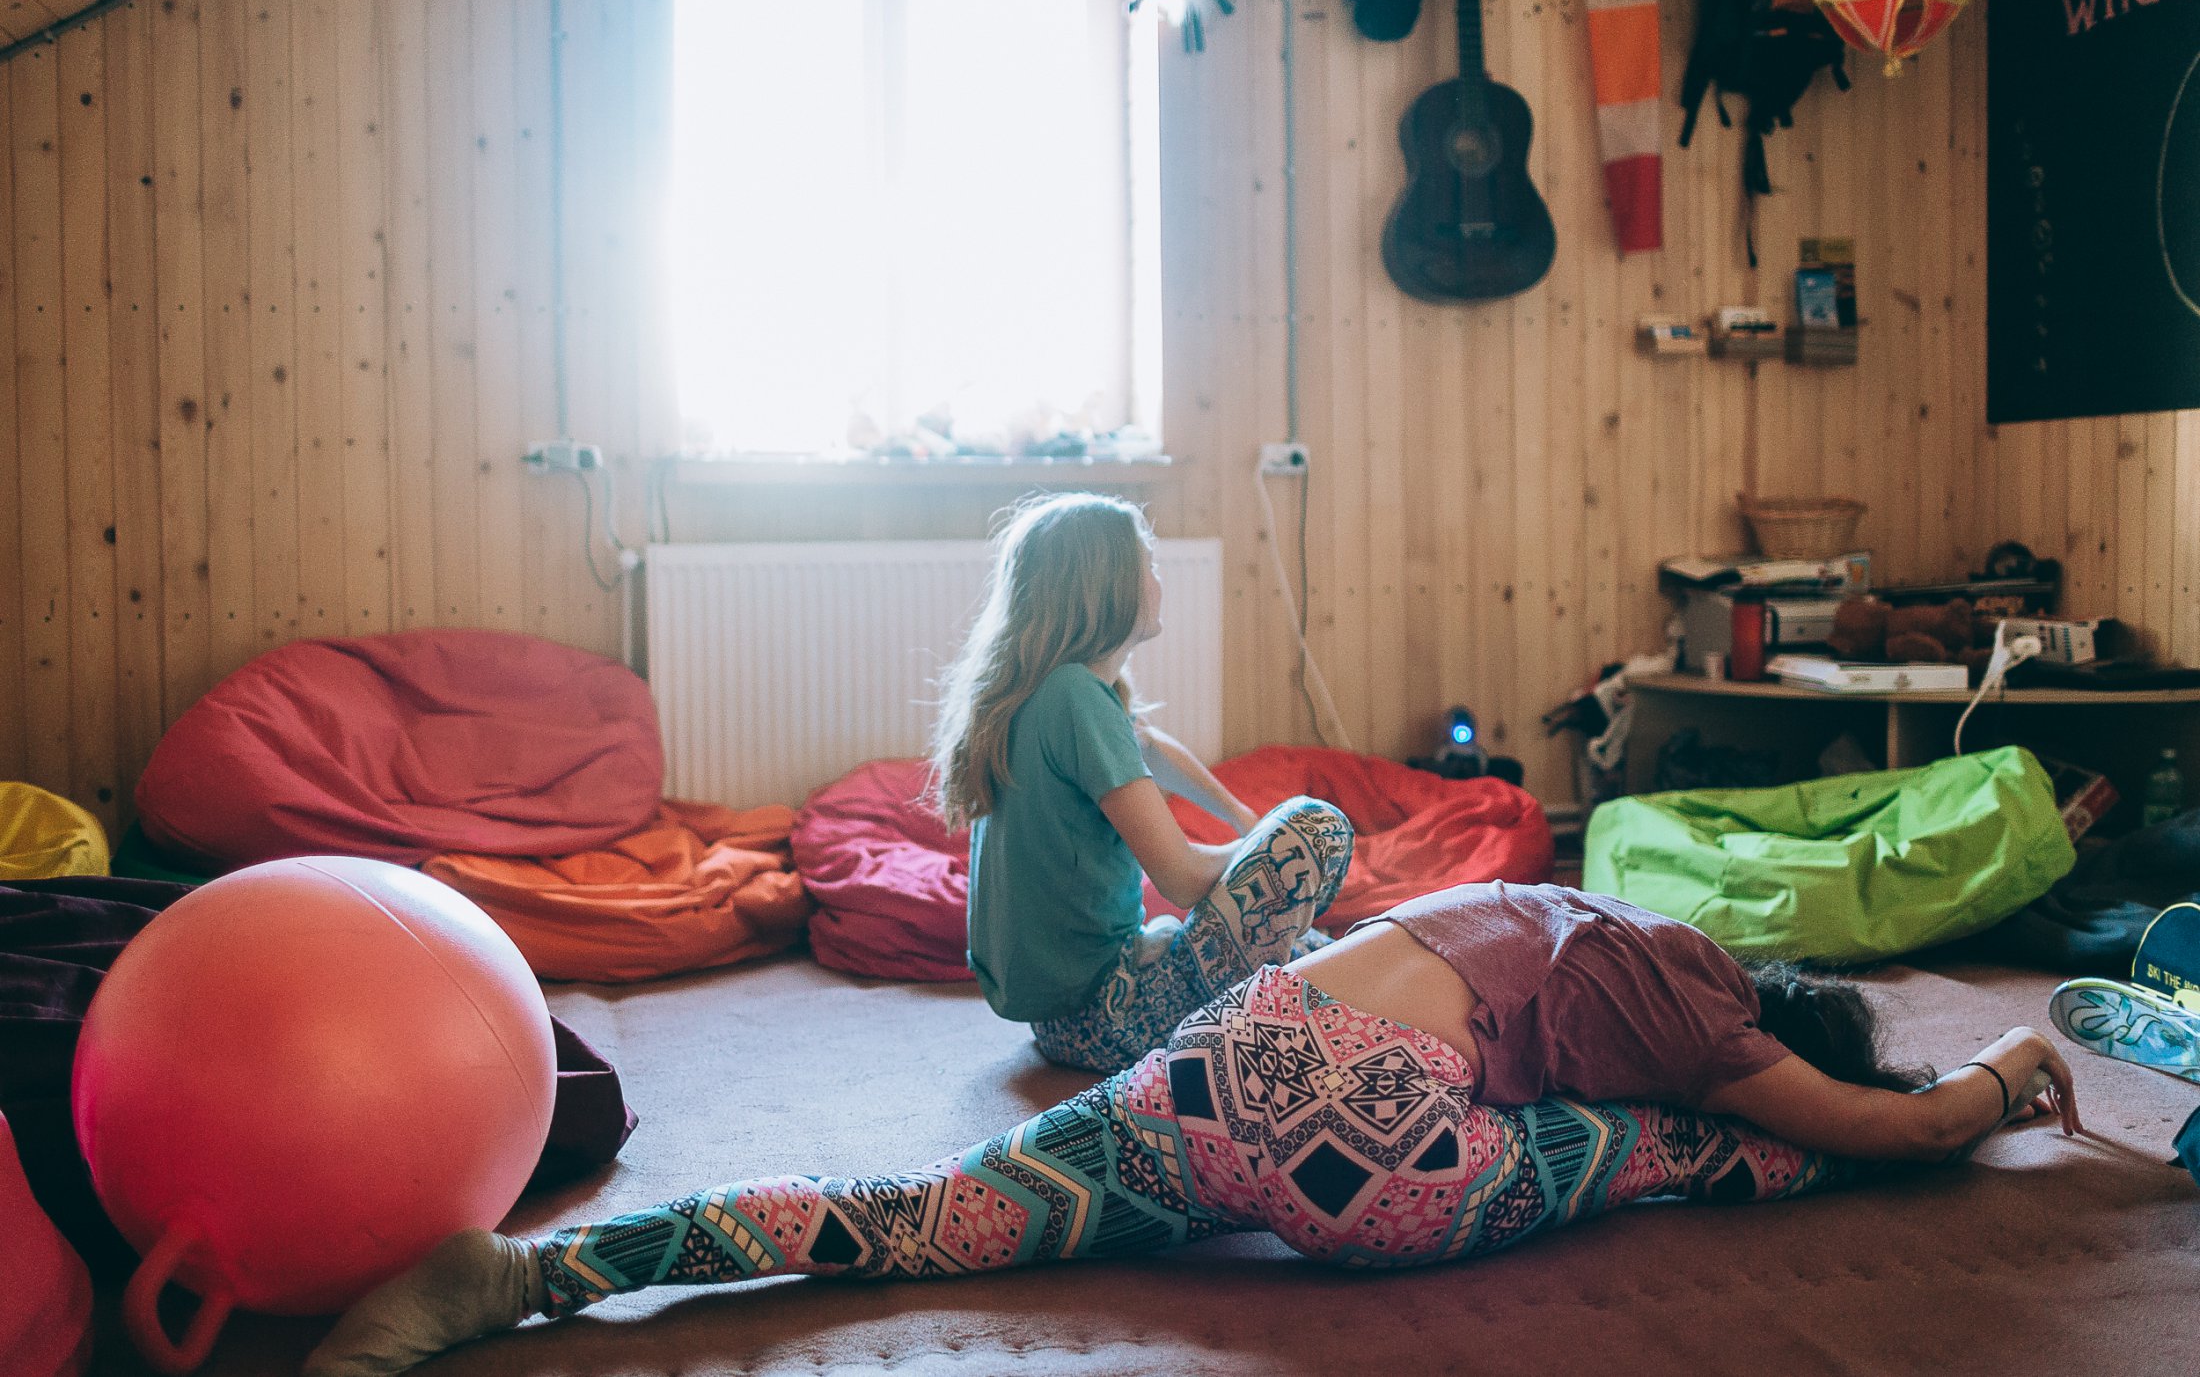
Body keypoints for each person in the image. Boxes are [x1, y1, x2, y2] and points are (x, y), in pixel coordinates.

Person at [303, 882, 2081, 1377]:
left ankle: (532, 1274)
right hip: (1366, 1153)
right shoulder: (1696, 1004)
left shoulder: (1550, 899)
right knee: (1674, 1151)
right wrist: (2009, 1063)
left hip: (1215, 1076)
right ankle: (1716, 1159)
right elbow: (1892, 1130)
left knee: (908, 1209)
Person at [929, 491, 1356, 1073]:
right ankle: (1320, 994)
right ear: (1107, 586)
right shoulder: (1075, 697)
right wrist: (1268, 842)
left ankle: (1323, 974)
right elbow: (1180, 878)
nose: (1158, 580)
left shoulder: (1043, 692)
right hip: (1110, 1015)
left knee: (1299, 937)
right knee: (1315, 827)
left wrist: (1243, 818)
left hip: (1058, 1024)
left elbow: (1149, 746)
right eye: (1148, 564)